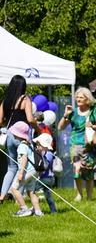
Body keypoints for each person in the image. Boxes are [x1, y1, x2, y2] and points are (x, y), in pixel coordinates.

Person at [57, 87, 96, 201]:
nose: (78, 99)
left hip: (90, 145)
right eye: (77, 97)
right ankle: (79, 194)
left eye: (81, 97)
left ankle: (89, 197)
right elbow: (60, 127)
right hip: (75, 145)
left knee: (89, 171)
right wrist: (65, 115)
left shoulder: (94, 110)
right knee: (77, 170)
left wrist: (92, 126)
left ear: (87, 99)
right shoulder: (73, 112)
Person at [0, 74, 39, 203]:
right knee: (23, 165)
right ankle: (17, 197)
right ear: (23, 86)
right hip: (22, 136)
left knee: (11, 168)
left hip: (9, 135)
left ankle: (2, 196)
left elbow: (0, 121)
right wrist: (39, 130)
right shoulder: (25, 99)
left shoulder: (5, 100)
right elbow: (30, 119)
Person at [9, 122, 43, 217]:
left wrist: (21, 172)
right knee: (31, 192)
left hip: (26, 171)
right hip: (34, 171)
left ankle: (23, 209)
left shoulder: (22, 146)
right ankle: (38, 212)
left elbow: (24, 159)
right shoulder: (29, 144)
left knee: (14, 189)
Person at [33, 133, 57, 214]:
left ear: (45, 145)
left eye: (39, 145)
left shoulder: (49, 154)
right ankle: (53, 211)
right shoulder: (45, 153)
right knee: (48, 196)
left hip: (47, 178)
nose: (37, 147)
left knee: (32, 190)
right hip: (45, 178)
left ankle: (36, 209)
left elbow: (45, 166)